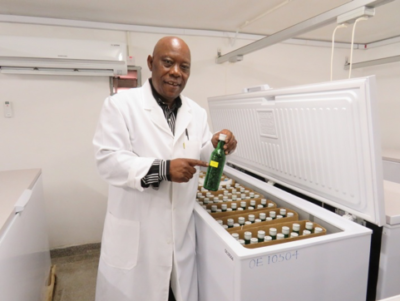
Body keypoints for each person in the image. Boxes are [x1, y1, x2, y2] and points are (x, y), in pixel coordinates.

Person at [93, 36, 237, 301]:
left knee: (174, 293)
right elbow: (108, 161)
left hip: (178, 232)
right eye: (168, 62)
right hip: (137, 234)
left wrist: (217, 144)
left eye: (184, 67)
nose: (176, 73)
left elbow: (201, 152)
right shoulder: (120, 106)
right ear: (151, 63)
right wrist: (163, 169)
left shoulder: (196, 112)